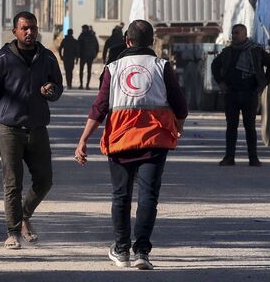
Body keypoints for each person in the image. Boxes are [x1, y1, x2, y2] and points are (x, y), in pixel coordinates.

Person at [74, 19, 187, 270]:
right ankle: (142, 253)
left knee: (121, 196)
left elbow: (100, 107)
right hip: (154, 141)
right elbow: (180, 106)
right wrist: (178, 125)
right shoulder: (161, 66)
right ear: (152, 42)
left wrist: (83, 140)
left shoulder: (113, 68)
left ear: (127, 41)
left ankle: (121, 250)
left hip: (120, 141)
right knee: (148, 196)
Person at [0, 11, 63, 250]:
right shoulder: (2, 58)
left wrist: (51, 89)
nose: (30, 32)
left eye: (33, 28)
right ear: (15, 31)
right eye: (25, 28)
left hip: (37, 129)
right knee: (12, 184)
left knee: (45, 181)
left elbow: (58, 86)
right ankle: (13, 232)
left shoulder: (47, 57)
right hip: (10, 130)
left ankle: (25, 215)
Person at [211, 23, 270, 167]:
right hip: (231, 94)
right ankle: (229, 157)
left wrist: (264, 82)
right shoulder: (228, 52)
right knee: (231, 127)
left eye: (237, 33)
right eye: (233, 33)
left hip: (249, 94)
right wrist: (220, 82)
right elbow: (215, 65)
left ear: (244, 35)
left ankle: (253, 158)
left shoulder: (255, 51)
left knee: (250, 127)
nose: (234, 36)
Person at [77, 24, 99, 89]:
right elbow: (97, 46)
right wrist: (95, 55)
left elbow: (78, 46)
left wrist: (78, 55)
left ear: (84, 29)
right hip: (90, 56)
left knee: (81, 70)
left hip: (83, 56)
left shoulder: (81, 36)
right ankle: (87, 85)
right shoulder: (93, 36)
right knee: (89, 71)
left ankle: (81, 85)